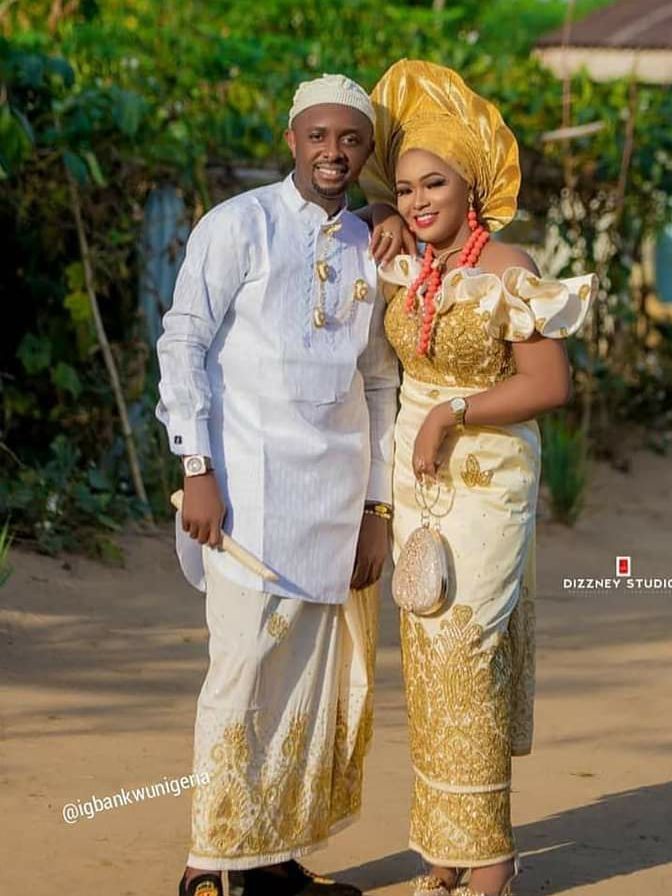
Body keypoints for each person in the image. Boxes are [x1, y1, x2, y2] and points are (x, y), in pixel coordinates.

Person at [156, 74, 402, 896]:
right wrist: (196, 469)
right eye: (319, 137)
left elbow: (376, 383)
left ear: (368, 150)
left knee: (306, 684)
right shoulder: (240, 226)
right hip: (244, 499)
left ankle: (275, 859)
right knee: (242, 674)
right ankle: (210, 864)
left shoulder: (373, 246)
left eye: (352, 140)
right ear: (291, 139)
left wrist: (377, 507)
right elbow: (182, 341)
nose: (335, 154)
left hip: (333, 506)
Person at [360, 60, 598, 896]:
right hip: (417, 478)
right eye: (406, 187)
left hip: (487, 477)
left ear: (472, 186)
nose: (420, 199)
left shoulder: (505, 266)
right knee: (424, 655)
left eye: (436, 183)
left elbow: (548, 385)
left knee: (468, 648)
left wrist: (451, 414)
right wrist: (381, 212)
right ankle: (442, 851)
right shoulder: (406, 259)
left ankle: (491, 857)